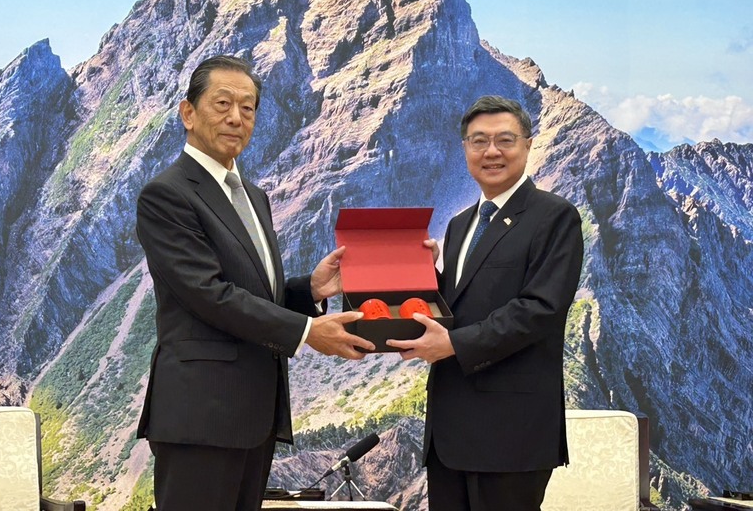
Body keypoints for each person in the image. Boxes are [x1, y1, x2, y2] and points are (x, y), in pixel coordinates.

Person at [135, 54, 375, 511]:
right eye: (222, 103)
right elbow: (210, 295)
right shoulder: (168, 194)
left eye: (248, 108)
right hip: (201, 415)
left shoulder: (253, 197)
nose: (235, 117)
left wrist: (311, 291)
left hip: (254, 414)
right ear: (188, 113)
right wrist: (308, 333)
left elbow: (252, 292)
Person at [387, 95, 584, 511]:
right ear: (465, 150)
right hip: (450, 433)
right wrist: (420, 278)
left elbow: (540, 310)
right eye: (478, 141)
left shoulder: (555, 216)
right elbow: (463, 303)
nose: (491, 152)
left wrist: (455, 345)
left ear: (528, 145)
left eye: (505, 140)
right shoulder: (461, 224)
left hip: (512, 435)